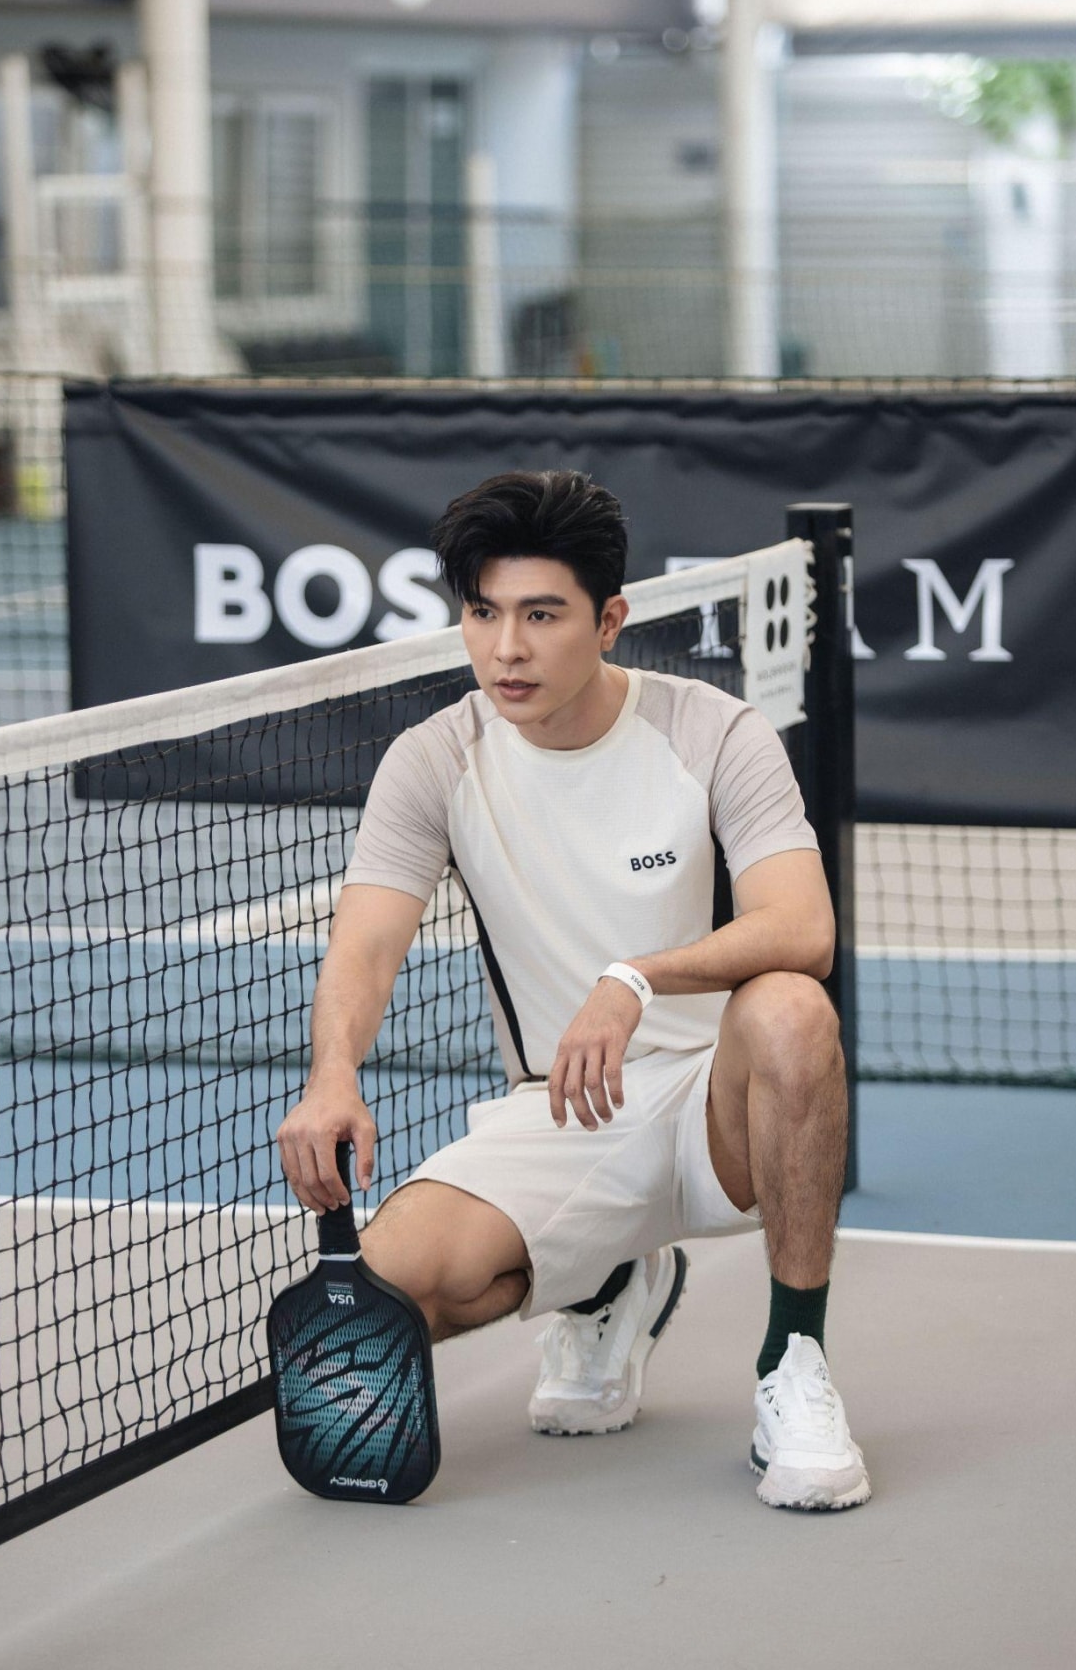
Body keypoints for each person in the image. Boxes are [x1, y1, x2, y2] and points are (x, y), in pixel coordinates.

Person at [277, 469, 869, 1511]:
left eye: (541, 615)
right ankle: (606, 1278)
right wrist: (331, 1074)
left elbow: (802, 928)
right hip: (562, 1109)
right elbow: (366, 944)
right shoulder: (435, 759)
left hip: (720, 1108)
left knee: (791, 1006)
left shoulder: (710, 730)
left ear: (609, 621)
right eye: (483, 612)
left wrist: (636, 976)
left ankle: (795, 1361)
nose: (507, 647)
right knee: (387, 1291)